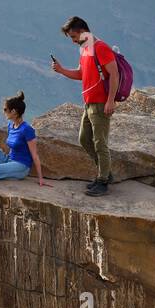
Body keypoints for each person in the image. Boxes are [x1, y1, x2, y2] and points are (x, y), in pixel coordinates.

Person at [51, 15, 117, 196]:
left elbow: (114, 74)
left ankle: (103, 181)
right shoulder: (85, 49)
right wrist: (62, 70)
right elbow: (82, 74)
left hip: (100, 103)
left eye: (73, 37)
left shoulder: (100, 48)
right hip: (88, 103)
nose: (73, 41)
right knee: (83, 139)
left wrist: (110, 100)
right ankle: (105, 172)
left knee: (100, 143)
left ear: (82, 32)